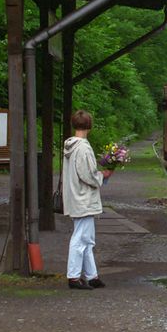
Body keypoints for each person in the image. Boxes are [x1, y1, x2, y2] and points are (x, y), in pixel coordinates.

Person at [62, 110, 112, 290]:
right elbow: (87, 175)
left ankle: (92, 276)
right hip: (83, 198)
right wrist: (103, 175)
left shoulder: (70, 145)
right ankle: (73, 276)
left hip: (76, 196)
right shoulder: (83, 147)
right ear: (89, 126)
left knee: (87, 238)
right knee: (80, 238)